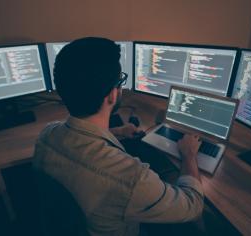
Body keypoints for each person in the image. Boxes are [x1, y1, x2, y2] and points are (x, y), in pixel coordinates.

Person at [33, 37, 204, 236]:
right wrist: (189, 155)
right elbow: (192, 206)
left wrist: (118, 132)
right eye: (121, 80)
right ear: (113, 95)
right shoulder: (131, 178)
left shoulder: (47, 135)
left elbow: (80, 144)